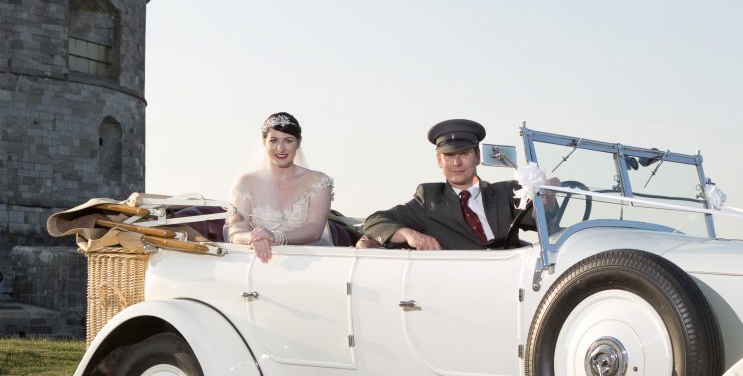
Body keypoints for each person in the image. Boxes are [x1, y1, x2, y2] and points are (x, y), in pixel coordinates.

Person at [359, 119, 555, 250]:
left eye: (464, 154)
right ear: (439, 161)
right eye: (449, 156)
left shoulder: (506, 192)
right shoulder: (429, 199)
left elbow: (543, 222)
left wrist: (547, 198)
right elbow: (374, 221)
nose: (456, 163)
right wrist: (409, 234)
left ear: (477, 157)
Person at [225, 111, 334, 263]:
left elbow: (315, 229)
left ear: (299, 142)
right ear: (264, 142)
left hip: (309, 262)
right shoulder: (246, 182)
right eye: (273, 140)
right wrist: (254, 238)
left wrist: (275, 237)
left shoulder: (319, 181)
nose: (280, 148)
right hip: (260, 261)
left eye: (288, 141)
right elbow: (235, 231)